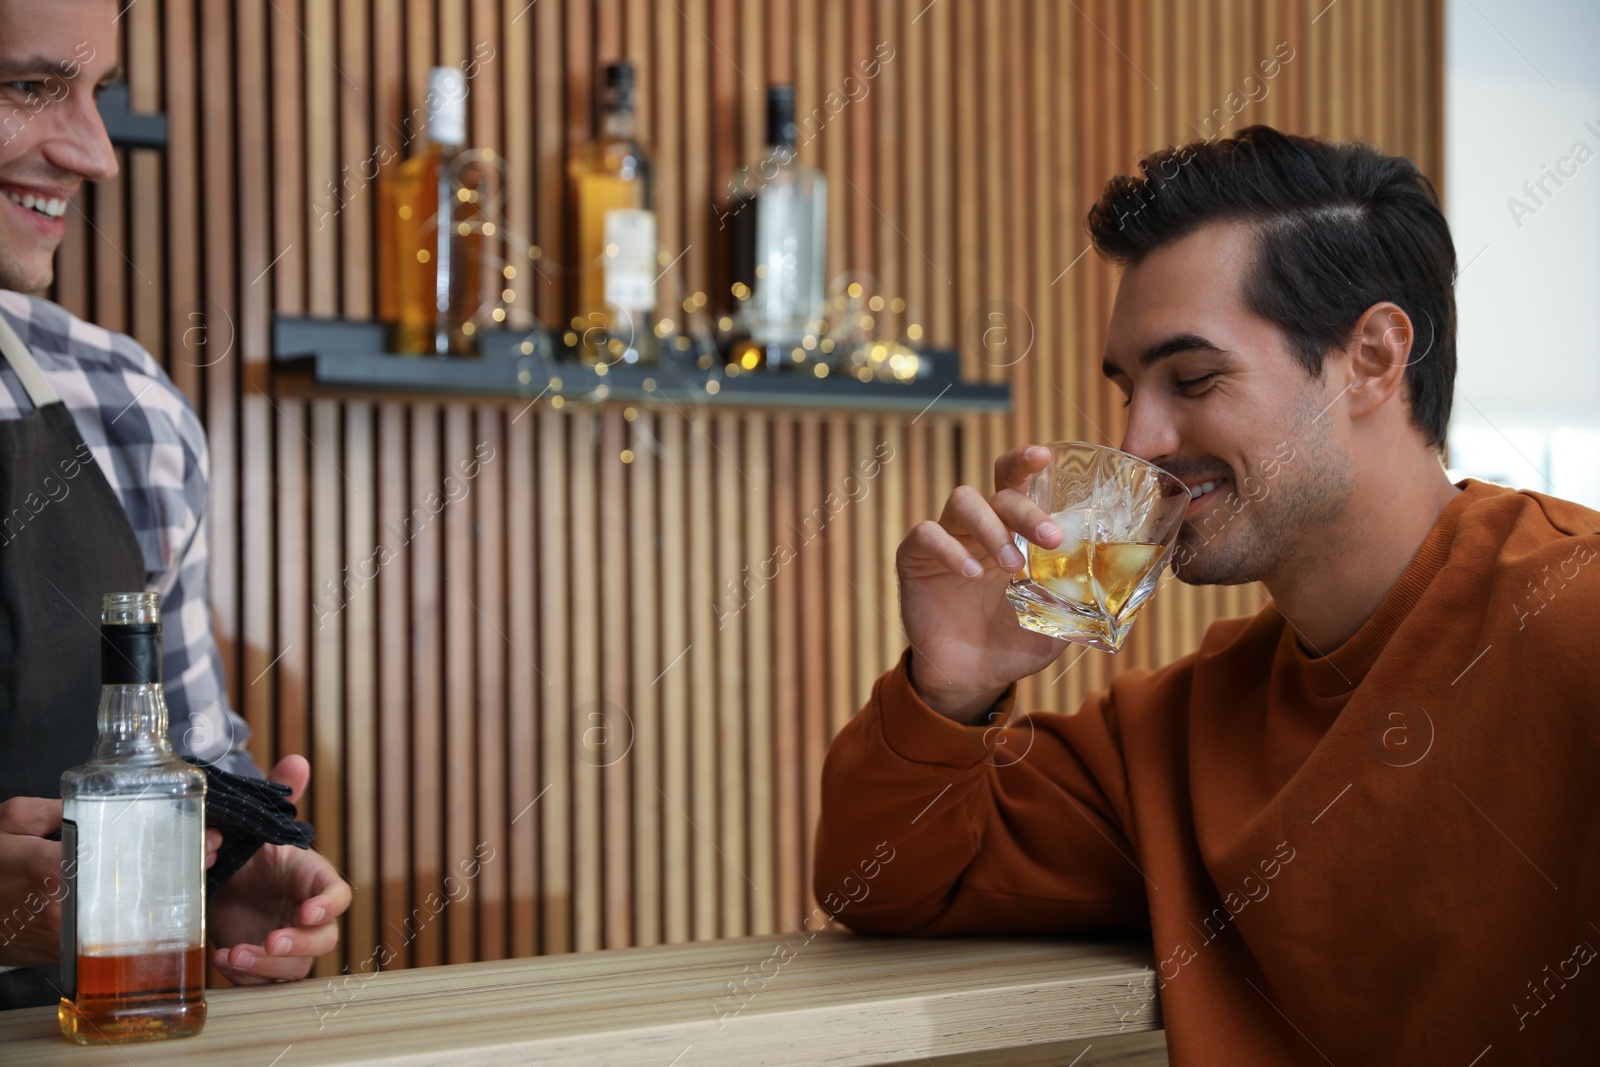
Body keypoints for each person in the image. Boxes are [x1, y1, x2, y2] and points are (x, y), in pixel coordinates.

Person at [814, 125, 1599, 1064]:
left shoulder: (1576, 619)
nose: (1141, 438)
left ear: (1376, 359)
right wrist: (953, 686)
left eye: (1194, 377)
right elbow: (884, 884)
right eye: (1128, 389)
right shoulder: (1179, 729)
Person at [0, 0, 350, 1007]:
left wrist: (217, 887)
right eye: (32, 87)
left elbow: (184, 759)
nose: (96, 155)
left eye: (96, 94)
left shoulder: (126, 406)